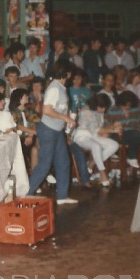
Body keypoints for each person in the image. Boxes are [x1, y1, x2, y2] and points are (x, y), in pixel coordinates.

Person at [27, 60, 78, 205]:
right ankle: (27, 194)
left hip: (57, 130)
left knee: (63, 162)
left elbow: (58, 108)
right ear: (66, 73)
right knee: (45, 164)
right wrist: (65, 118)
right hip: (48, 130)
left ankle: (62, 196)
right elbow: (47, 110)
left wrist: (68, 117)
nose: (71, 76)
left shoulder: (61, 88)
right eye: (71, 73)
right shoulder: (54, 88)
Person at [73, 94, 121, 188]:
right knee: (96, 146)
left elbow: (100, 129)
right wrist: (112, 130)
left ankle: (91, 163)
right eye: (102, 107)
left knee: (114, 145)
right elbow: (96, 130)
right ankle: (102, 174)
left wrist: (113, 127)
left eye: (105, 108)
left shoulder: (99, 112)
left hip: (93, 136)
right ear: (96, 105)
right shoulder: (86, 111)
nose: (103, 110)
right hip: (82, 136)